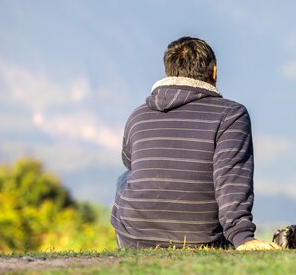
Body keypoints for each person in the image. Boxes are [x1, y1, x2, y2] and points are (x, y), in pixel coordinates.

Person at [111, 36, 279, 251]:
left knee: (127, 176)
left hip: (132, 239)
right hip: (200, 239)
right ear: (214, 72)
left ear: (169, 71)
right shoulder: (231, 114)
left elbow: (130, 161)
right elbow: (231, 178)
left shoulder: (139, 115)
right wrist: (242, 237)